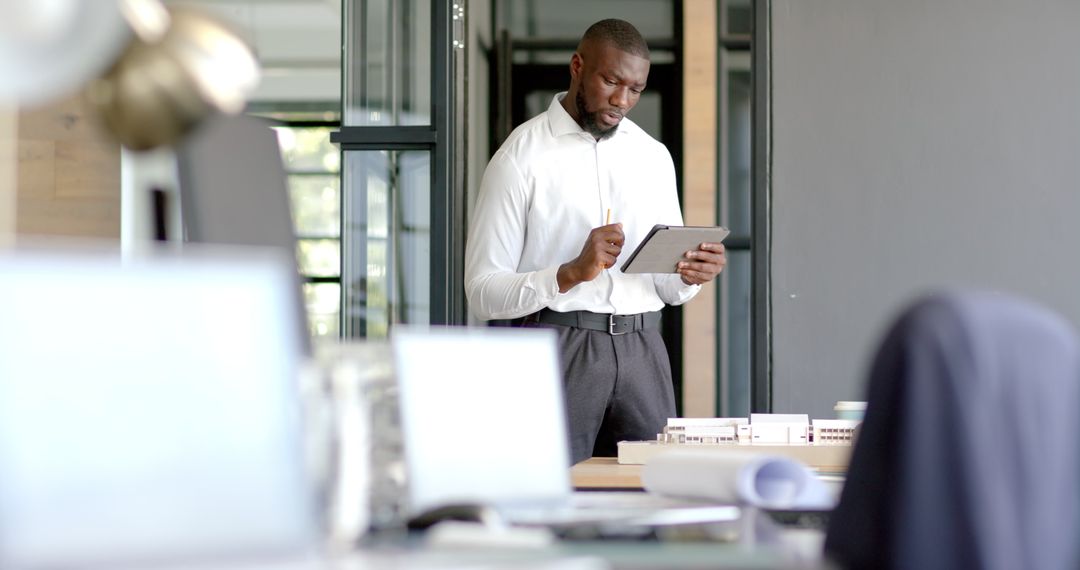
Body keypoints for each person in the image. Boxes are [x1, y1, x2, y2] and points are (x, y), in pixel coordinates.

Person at [464, 19, 726, 464]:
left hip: (643, 349)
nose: (622, 101)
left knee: (652, 494)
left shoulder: (653, 157)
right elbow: (482, 292)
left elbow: (668, 288)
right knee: (552, 498)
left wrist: (689, 275)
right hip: (557, 348)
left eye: (636, 90)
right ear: (577, 66)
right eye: (611, 81)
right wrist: (568, 273)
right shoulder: (519, 157)